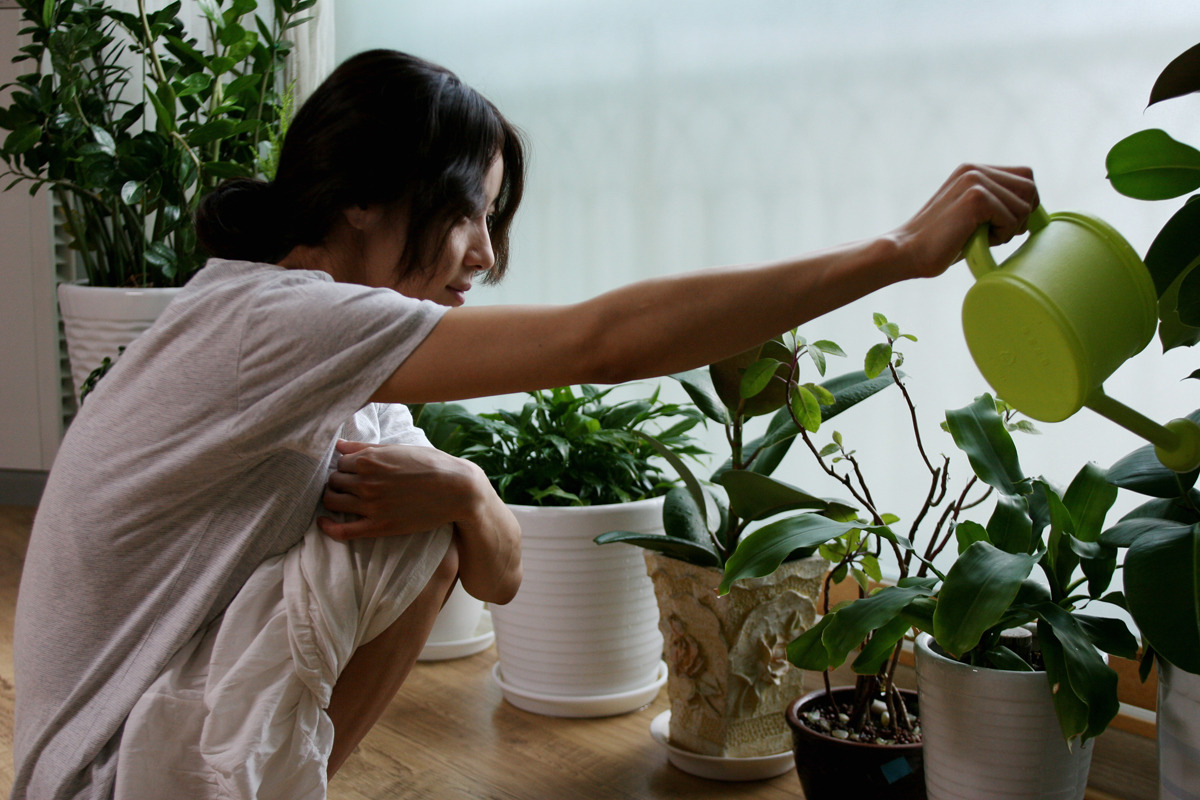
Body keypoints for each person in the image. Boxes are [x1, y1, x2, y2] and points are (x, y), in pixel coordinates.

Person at [10, 48, 1038, 800]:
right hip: (99, 773)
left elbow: (497, 572)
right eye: (470, 211)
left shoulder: (305, 339)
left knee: (421, 485)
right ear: (366, 196)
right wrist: (901, 250)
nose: (487, 253)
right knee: (414, 489)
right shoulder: (278, 319)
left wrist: (465, 489)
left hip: (118, 756)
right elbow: (604, 341)